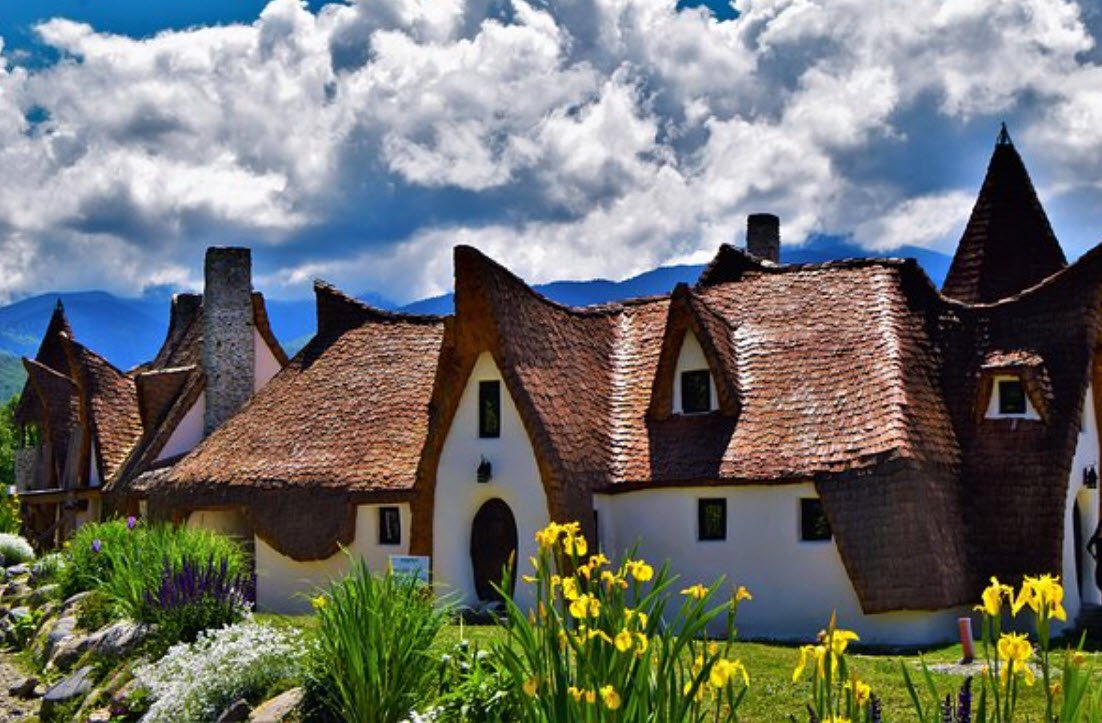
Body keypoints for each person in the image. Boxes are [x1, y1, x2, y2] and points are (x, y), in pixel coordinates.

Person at [1088, 520, 1102, 593]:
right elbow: (1088, 547)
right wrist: (1094, 556)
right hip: (1100, 561)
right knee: (1099, 581)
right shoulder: (1095, 537)